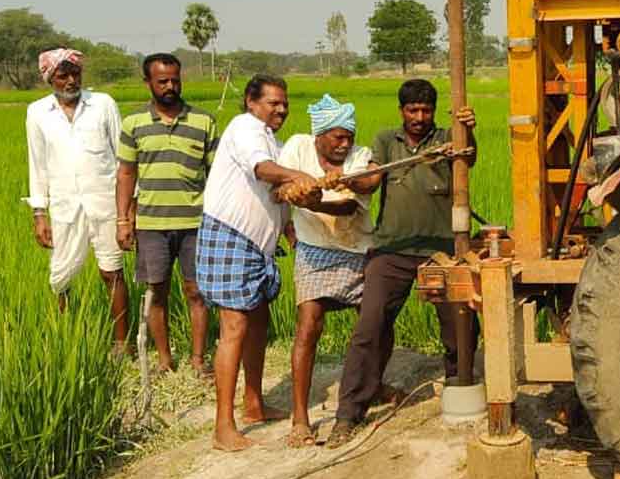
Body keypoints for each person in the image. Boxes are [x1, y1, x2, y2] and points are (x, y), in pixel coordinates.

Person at [326, 79, 476, 448]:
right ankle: (349, 413)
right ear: (402, 111)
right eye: (413, 111)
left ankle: (461, 388)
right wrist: (350, 181)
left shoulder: (448, 137)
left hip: (442, 249)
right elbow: (373, 179)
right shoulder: (386, 141)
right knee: (370, 326)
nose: (420, 118)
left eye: (426, 111)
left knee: (461, 323)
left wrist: (467, 131)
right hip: (392, 249)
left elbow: (468, 158)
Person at [196, 74, 317, 451]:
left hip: (259, 248)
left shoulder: (274, 143)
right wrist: (301, 175)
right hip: (230, 238)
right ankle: (223, 427)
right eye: (273, 102)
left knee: (259, 322)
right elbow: (262, 171)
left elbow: (277, 196)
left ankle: (254, 404)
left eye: (284, 103)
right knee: (234, 327)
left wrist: (292, 230)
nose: (281, 109)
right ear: (251, 101)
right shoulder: (244, 128)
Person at [276, 94, 377, 448]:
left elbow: (353, 203)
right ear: (319, 136)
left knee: (371, 325)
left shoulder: (359, 157)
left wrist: (339, 185)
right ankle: (300, 417)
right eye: (337, 137)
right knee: (308, 327)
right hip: (314, 250)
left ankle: (372, 387)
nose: (344, 143)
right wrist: (297, 192)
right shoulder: (298, 147)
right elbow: (281, 186)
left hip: (357, 248)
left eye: (348, 136)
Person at [116, 53, 215, 376]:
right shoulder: (134, 124)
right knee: (155, 291)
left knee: (197, 291)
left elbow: (216, 175)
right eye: (163, 81)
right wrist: (123, 220)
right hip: (151, 224)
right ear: (148, 83)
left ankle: (198, 360)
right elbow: (127, 174)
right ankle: (164, 360)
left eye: (175, 79)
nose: (170, 86)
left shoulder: (203, 121)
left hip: (195, 224)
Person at [25, 48, 129, 351]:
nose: (71, 80)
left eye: (76, 74)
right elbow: (37, 163)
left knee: (112, 271)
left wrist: (128, 209)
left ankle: (122, 344)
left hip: (105, 203)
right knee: (61, 275)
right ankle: (65, 341)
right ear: (50, 78)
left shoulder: (103, 104)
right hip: (64, 207)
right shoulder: (37, 112)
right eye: (63, 75)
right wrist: (39, 213)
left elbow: (123, 158)